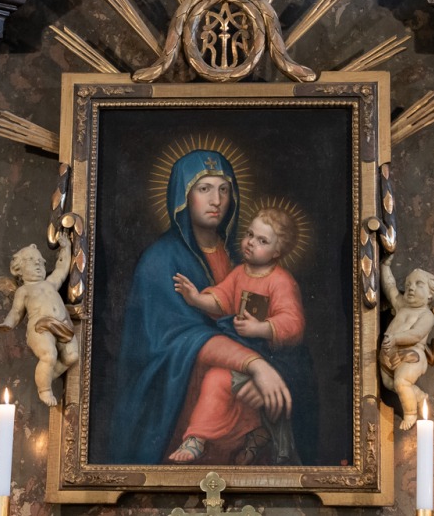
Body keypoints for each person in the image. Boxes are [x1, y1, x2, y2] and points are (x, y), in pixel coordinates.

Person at [108, 150, 315, 465]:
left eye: (224, 189)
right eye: (204, 189)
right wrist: (256, 366)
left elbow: (290, 337)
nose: (216, 200)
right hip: (178, 415)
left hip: (243, 415)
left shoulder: (243, 260)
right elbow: (181, 338)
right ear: (183, 196)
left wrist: (269, 376)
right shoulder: (161, 260)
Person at [170, 207, 305, 463]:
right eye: (250, 235)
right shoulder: (240, 272)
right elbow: (221, 299)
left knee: (217, 379)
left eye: (262, 241)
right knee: (208, 374)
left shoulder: (281, 281)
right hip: (239, 350)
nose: (251, 243)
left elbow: (293, 322)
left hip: (266, 355)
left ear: (277, 252)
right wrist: (196, 299)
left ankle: (197, 438)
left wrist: (260, 328)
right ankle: (242, 434)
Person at [0, 236, 79, 406]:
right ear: (19, 270)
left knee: (72, 356)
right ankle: (44, 389)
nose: (38, 264)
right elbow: (16, 312)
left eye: (40, 262)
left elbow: (62, 269)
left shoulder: (50, 283)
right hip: (39, 328)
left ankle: (46, 376)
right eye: (32, 261)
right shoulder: (24, 291)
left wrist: (66, 248)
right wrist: (8, 324)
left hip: (62, 324)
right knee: (49, 354)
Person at [378, 263, 434, 430]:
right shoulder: (401, 306)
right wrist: (385, 265)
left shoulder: (426, 315)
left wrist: (395, 339)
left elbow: (416, 334)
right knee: (389, 384)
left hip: (412, 356)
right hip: (389, 355)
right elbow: (390, 286)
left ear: (430, 295)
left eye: (419, 284)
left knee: (401, 382)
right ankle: (418, 395)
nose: (411, 288)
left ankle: (410, 414)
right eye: (408, 284)